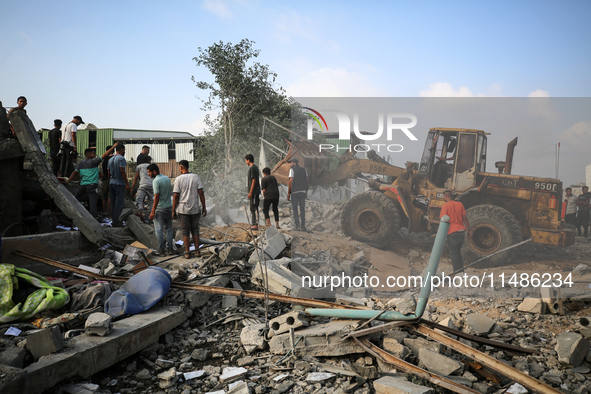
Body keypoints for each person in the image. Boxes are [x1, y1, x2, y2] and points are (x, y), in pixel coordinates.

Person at [66, 144, 118, 218]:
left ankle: (70, 215)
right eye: (94, 153)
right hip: (92, 186)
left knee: (75, 200)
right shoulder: (94, 161)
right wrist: (113, 147)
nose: (95, 154)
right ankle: (92, 221)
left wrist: (68, 180)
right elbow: (105, 155)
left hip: (82, 185)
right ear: (89, 155)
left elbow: (75, 172)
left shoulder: (81, 163)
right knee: (93, 205)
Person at [172, 160, 207, 258]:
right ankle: (197, 252)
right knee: (195, 230)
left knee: (185, 231)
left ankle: (187, 252)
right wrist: (204, 207)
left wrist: (173, 210)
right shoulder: (196, 177)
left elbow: (175, 195)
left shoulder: (178, 179)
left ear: (181, 167)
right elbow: (201, 192)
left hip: (183, 209)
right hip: (195, 208)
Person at [148, 163, 175, 256]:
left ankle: (161, 250)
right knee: (169, 229)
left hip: (159, 209)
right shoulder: (167, 178)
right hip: (168, 207)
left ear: (154, 171)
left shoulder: (156, 181)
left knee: (159, 230)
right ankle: (170, 249)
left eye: (149, 172)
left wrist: (152, 211)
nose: (148, 174)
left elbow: (156, 197)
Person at [440, 190, 471, 273]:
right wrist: (469, 230)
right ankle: (461, 271)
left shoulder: (445, 206)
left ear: (446, 196)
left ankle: (456, 273)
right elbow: (465, 218)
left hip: (452, 232)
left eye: (443, 196)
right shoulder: (460, 204)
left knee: (454, 254)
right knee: (458, 252)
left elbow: (443, 219)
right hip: (461, 232)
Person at [107, 143, 131, 227]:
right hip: (119, 183)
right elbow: (122, 171)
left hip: (112, 183)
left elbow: (108, 172)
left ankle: (114, 219)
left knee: (113, 202)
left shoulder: (110, 159)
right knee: (119, 203)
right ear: (121, 149)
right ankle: (117, 221)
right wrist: (127, 184)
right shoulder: (121, 159)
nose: (124, 151)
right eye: (124, 150)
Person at [287, 158, 309, 231]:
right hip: (303, 191)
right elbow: (307, 180)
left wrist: (288, 193)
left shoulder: (292, 170)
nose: (290, 164)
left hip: (295, 192)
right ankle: (303, 226)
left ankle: (297, 226)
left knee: (295, 208)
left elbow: (291, 181)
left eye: (290, 163)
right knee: (302, 209)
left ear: (294, 163)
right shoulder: (304, 170)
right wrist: (306, 191)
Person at [131, 155, 154, 222]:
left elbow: (136, 178)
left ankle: (140, 214)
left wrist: (132, 187)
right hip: (151, 185)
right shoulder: (151, 166)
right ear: (149, 161)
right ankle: (151, 217)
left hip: (143, 185)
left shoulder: (139, 166)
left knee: (139, 199)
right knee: (151, 201)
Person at [245, 154, 261, 230]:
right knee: (253, 207)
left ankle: (255, 224)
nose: (245, 162)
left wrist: (250, 192)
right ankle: (253, 223)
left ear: (248, 160)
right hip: (254, 191)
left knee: (254, 207)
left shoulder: (253, 168)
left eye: (246, 160)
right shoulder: (255, 168)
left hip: (254, 192)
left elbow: (254, 181)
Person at [101, 145, 113, 215]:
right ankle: (109, 213)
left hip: (104, 179)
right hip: (111, 179)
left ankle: (104, 212)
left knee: (104, 197)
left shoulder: (104, 159)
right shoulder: (113, 159)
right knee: (110, 197)